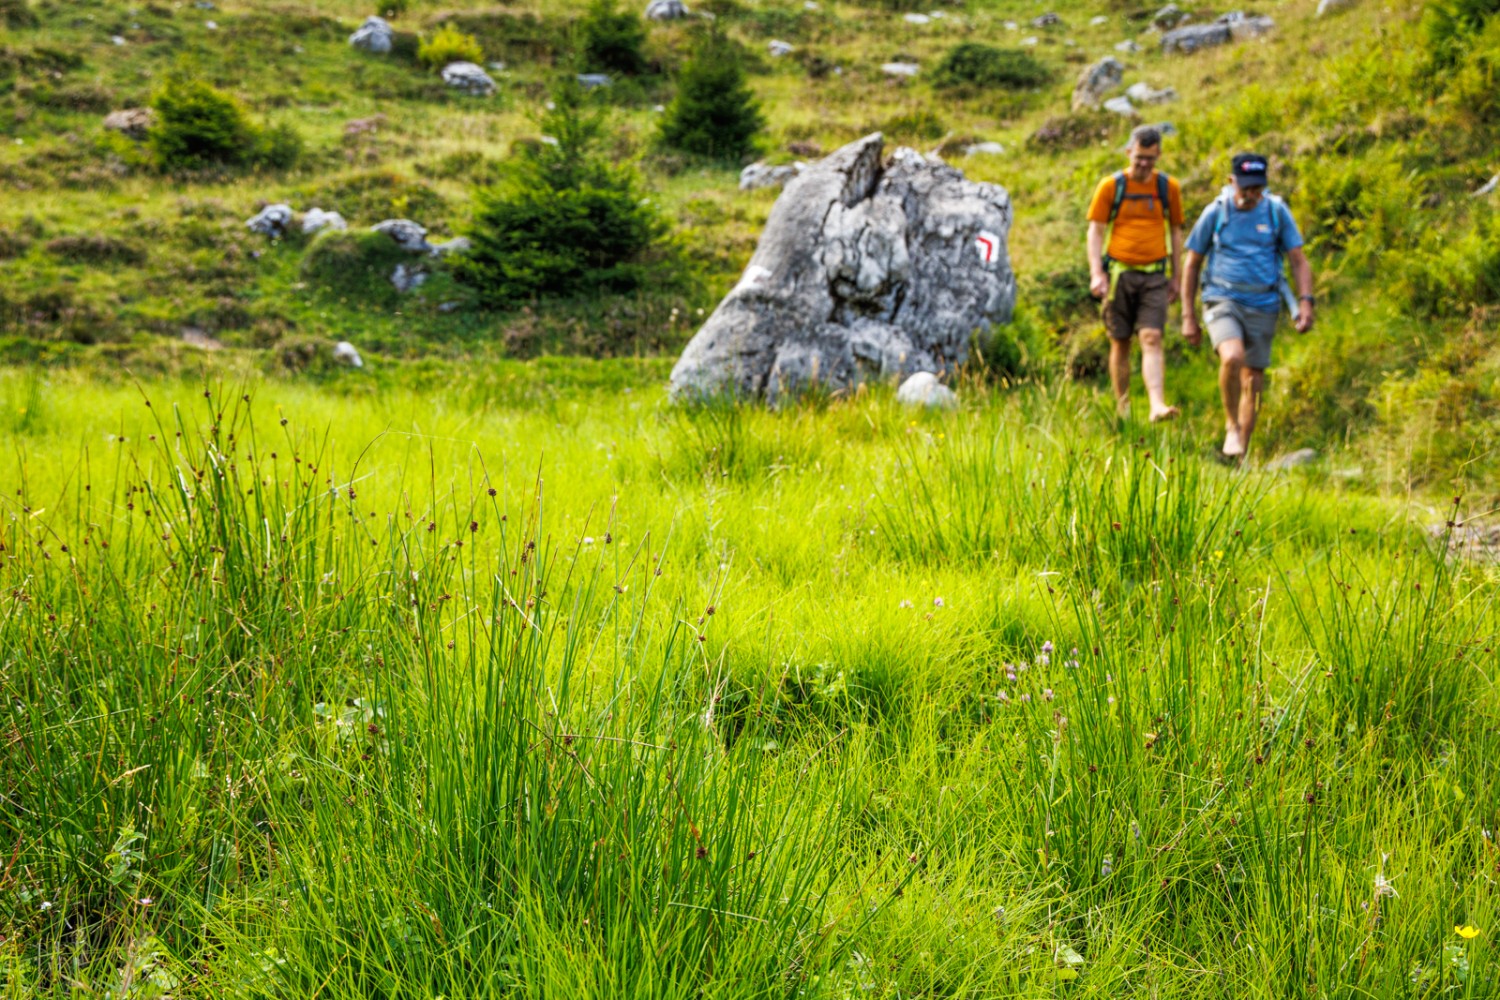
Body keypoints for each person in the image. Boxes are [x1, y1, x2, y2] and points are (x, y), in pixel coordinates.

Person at [1181, 153, 1315, 460]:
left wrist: (1305, 302)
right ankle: (1231, 426)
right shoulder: (1216, 212)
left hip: (1264, 303)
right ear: (1231, 183)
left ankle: (1241, 449)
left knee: (1253, 379)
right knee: (1232, 357)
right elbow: (1192, 264)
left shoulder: (1276, 212)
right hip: (1222, 298)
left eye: (1257, 189)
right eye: (1245, 190)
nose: (1251, 196)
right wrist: (1189, 316)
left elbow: (1298, 259)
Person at [1086, 125, 1185, 422]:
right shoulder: (1111, 186)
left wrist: (1177, 277)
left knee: (1152, 336)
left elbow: (1176, 232)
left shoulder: (1168, 188)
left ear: (1159, 157)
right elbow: (1096, 231)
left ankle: (1157, 404)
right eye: (1140, 157)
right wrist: (1096, 273)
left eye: (1151, 159)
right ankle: (1123, 407)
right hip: (1119, 275)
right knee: (1121, 340)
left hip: (1155, 275)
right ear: (1129, 152)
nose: (1144, 165)